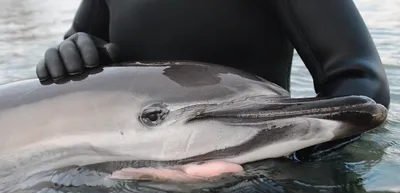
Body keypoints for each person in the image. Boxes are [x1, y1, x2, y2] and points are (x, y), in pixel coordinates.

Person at [36, 0, 390, 158]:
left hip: (256, 178)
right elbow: (80, 44)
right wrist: (72, 52)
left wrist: (295, 157)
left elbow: (359, 80)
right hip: (131, 173)